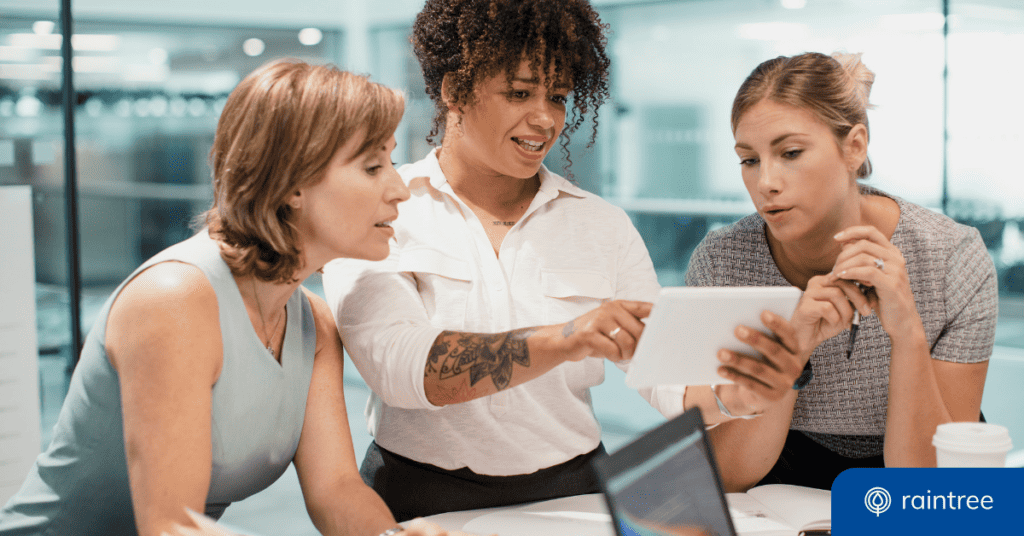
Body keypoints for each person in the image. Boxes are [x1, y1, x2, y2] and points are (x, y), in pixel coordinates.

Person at [0, 59, 471, 536]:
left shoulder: (313, 322)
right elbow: (171, 527)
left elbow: (336, 492)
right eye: (373, 166)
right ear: (291, 184)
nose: (398, 189)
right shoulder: (174, 300)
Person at [323, 0, 679, 521]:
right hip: (417, 496)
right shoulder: (384, 211)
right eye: (519, 92)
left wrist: (741, 387)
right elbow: (401, 367)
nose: (545, 118)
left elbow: (665, 371)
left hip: (575, 494)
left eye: (557, 97)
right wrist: (569, 337)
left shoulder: (601, 225)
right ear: (453, 91)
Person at [681, 52, 997, 491]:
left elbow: (935, 488)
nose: (766, 182)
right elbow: (729, 475)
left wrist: (907, 333)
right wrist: (791, 348)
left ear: (854, 147)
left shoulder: (952, 258)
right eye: (749, 160)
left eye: (790, 153)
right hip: (774, 489)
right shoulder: (722, 262)